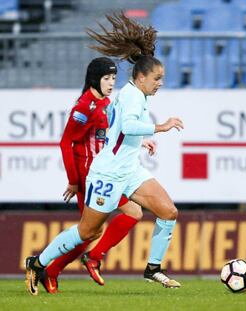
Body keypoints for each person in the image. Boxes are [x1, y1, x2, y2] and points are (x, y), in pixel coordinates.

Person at [25, 14, 184, 296]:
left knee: (168, 212)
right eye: (157, 78)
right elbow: (127, 125)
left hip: (129, 169)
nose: (161, 83)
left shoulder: (136, 94)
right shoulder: (131, 95)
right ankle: (39, 262)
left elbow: (117, 128)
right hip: (107, 173)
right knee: (87, 232)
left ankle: (153, 268)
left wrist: (141, 140)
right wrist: (160, 127)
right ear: (142, 77)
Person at [38, 56, 158, 294]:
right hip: (90, 176)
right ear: (95, 79)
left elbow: (111, 134)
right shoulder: (84, 107)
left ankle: (85, 259)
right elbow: (66, 143)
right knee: (88, 232)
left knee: (129, 215)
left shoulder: (106, 101)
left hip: (110, 172)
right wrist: (73, 180)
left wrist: (141, 142)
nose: (111, 82)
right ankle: (48, 269)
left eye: (114, 77)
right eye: (106, 78)